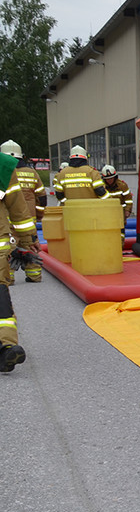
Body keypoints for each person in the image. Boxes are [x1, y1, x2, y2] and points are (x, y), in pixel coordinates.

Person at [0, 150, 39, 372]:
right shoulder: (3, 165)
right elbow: (17, 208)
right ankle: (5, 346)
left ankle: (5, 348)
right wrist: (28, 239)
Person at [2, 140, 46, 283]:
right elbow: (42, 197)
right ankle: (34, 275)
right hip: (28, 220)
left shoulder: (3, 172)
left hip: (7, 221)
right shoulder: (32, 173)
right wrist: (38, 215)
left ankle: (8, 278)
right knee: (30, 246)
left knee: (7, 248)